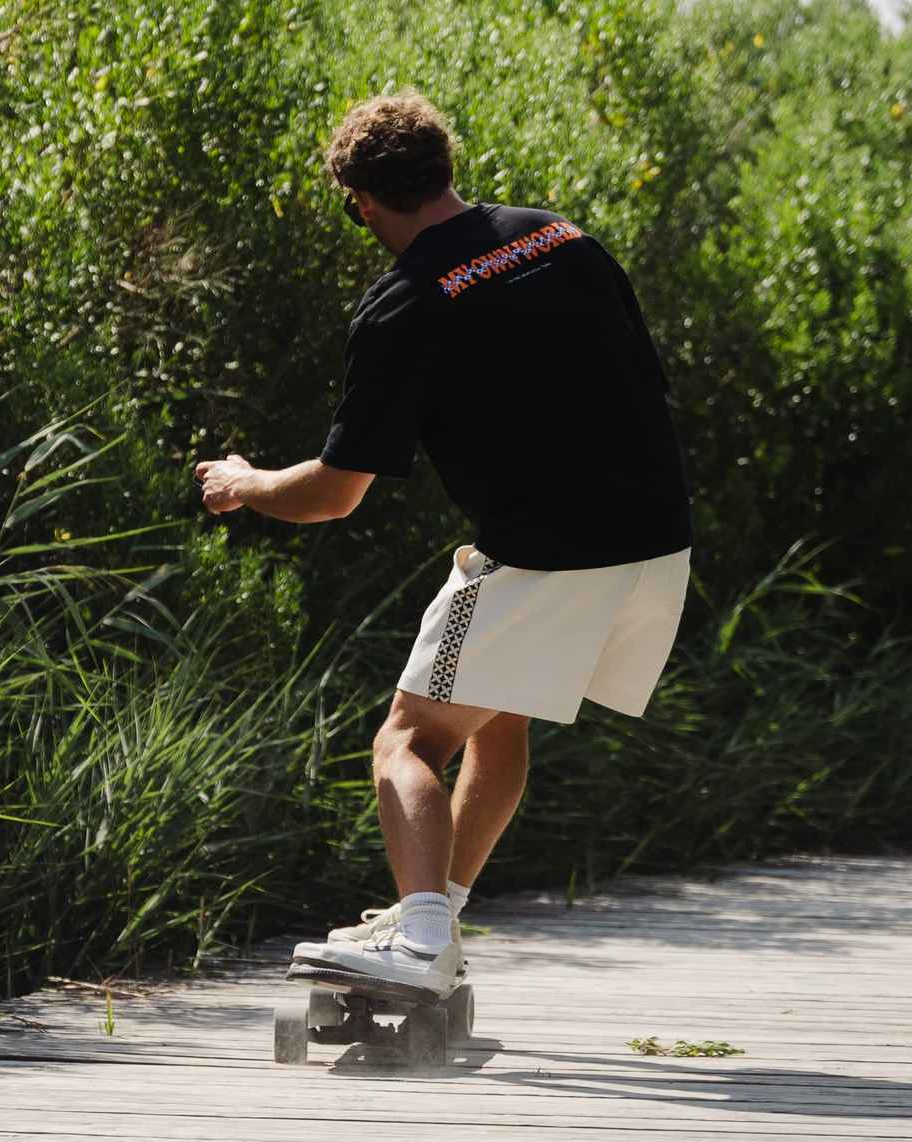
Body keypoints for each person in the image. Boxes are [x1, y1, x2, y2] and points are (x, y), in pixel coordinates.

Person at [193, 91, 692, 999]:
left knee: (406, 741)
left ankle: (422, 943)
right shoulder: (560, 237)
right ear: (447, 166)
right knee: (499, 718)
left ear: (365, 202)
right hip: (657, 539)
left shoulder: (404, 305)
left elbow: (335, 494)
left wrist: (246, 484)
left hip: (551, 551)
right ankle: (438, 913)